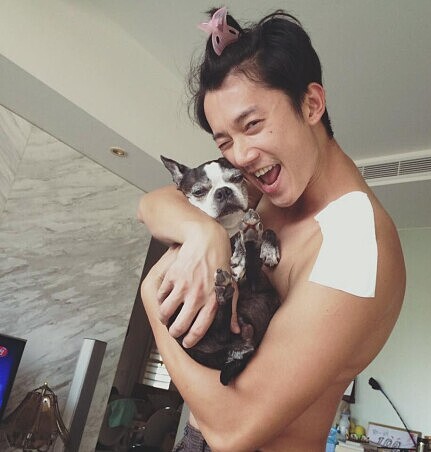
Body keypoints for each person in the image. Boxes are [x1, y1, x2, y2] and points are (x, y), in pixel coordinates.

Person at [138, 8, 406, 452]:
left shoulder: (354, 241)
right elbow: (153, 203)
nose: (241, 156)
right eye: (225, 141)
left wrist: (152, 301)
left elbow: (233, 429)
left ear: (311, 104)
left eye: (253, 125)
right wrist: (205, 236)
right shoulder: (271, 191)